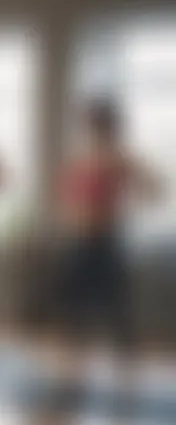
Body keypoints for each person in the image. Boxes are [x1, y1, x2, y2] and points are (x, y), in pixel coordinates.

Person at [56, 98, 161, 377]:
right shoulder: (82, 157)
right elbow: (70, 197)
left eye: (96, 123)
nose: (91, 129)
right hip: (79, 241)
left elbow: (154, 186)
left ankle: (127, 368)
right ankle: (73, 365)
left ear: (108, 126)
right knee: (74, 304)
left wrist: (126, 204)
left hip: (106, 241)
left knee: (116, 309)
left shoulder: (117, 156)